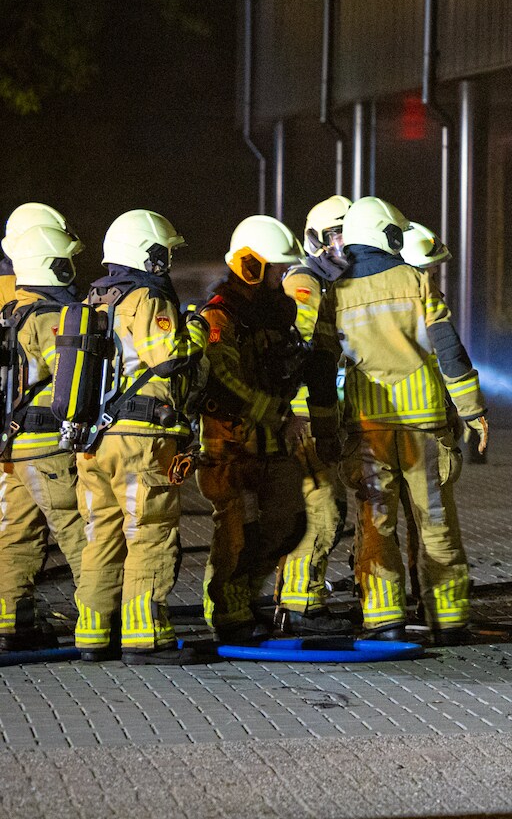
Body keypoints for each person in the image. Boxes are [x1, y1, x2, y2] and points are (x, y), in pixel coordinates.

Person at [334, 196, 488, 643]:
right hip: (424, 428)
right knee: (435, 522)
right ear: (386, 234)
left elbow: (323, 366)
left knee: (376, 524)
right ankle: (450, 618)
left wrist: (324, 426)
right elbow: (450, 352)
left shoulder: (334, 293)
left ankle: (384, 619)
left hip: (367, 431)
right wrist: (473, 411)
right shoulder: (417, 282)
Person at [71, 209, 208, 665]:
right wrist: (198, 328)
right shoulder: (147, 297)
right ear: (148, 255)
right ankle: (145, 635)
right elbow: (168, 358)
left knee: (103, 536)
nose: (166, 261)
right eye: (164, 253)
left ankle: (93, 634)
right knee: (149, 532)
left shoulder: (95, 299)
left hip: (95, 440)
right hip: (139, 440)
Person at [194, 216, 310, 642]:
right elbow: (223, 378)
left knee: (288, 524)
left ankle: (242, 598)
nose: (283, 276)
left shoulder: (273, 314)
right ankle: (230, 615)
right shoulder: (219, 316)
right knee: (236, 535)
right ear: (252, 266)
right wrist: (275, 413)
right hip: (228, 445)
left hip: (270, 441)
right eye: (278, 267)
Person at [0, 223, 87, 651]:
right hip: (47, 447)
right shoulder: (49, 316)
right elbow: (69, 383)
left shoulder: (11, 311)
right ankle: (101, 621)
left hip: (11, 449)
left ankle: (10, 624)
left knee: (16, 536)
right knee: (80, 531)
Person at [274, 196, 354, 633]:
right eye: (337, 235)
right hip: (302, 420)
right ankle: (303, 606)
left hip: (313, 416)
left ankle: (293, 602)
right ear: (315, 239)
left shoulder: (329, 285)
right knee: (323, 511)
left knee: (316, 509)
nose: (344, 244)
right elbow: (298, 351)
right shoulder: (305, 281)